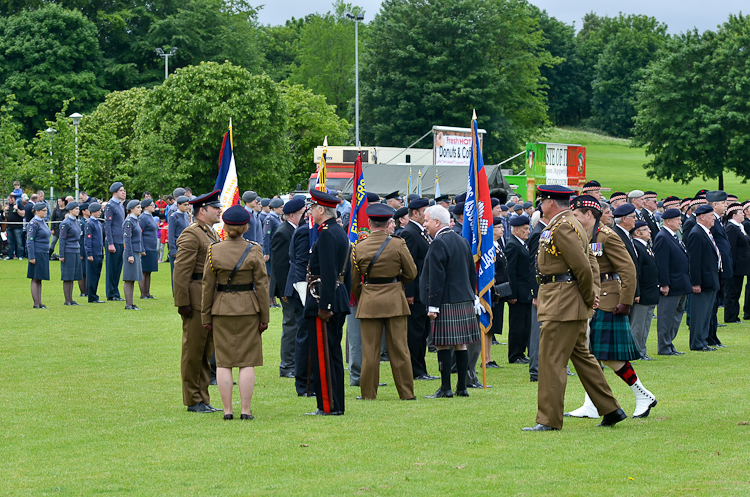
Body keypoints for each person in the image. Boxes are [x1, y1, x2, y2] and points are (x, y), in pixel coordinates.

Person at [523, 186, 625, 432]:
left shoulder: (563, 225)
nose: (539, 204)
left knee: (551, 359)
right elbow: (590, 260)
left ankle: (548, 419)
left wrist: (591, 295)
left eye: (542, 200)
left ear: (550, 203)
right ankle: (611, 409)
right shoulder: (570, 222)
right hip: (566, 299)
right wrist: (592, 294)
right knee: (582, 357)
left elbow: (582, 265)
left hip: (562, 300)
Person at [566, 196, 657, 419]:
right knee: (591, 354)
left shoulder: (607, 236)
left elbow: (628, 270)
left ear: (589, 215)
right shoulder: (581, 235)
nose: (573, 218)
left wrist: (625, 301)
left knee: (608, 355)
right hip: (591, 298)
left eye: (577, 215)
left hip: (608, 299)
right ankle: (593, 403)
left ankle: (642, 395)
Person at [201, 205, 269, 420]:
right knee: (247, 361)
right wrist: (264, 317)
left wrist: (205, 316)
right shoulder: (254, 249)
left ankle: (228, 410)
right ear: (246, 227)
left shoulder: (214, 249)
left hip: (221, 309)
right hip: (249, 308)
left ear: (226, 226)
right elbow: (262, 286)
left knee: (223, 361)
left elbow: (207, 286)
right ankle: (246, 410)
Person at [351, 203, 417, 401]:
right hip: (395, 299)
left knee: (370, 350)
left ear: (369, 223)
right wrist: (396, 283)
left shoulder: (359, 247)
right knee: (400, 348)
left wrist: (365, 291)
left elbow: (354, 281)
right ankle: (406, 393)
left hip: (369, 300)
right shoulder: (398, 244)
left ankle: (368, 394)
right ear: (389, 222)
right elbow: (412, 272)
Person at [420, 205, 480, 399]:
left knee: (442, 345)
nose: (424, 224)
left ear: (437, 222)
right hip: (464, 299)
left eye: (427, 220)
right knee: (461, 344)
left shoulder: (439, 242)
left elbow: (436, 276)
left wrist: (433, 305)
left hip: (444, 301)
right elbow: (471, 272)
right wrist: (472, 295)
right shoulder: (461, 240)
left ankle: (446, 387)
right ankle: (462, 387)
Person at [174, 190, 223, 413]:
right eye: (215, 207)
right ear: (202, 210)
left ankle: (203, 396)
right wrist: (182, 302)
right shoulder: (191, 234)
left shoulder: (210, 233)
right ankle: (193, 399)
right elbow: (181, 272)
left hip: (208, 298)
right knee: (193, 351)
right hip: (195, 299)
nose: (219, 210)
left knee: (205, 351)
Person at [303, 189, 351, 416]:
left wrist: (325, 306)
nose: (311, 211)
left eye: (313, 207)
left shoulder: (328, 234)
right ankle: (331, 404)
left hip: (324, 298)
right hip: (333, 296)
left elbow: (331, 273)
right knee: (330, 353)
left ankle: (329, 405)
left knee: (325, 354)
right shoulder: (335, 231)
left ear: (321, 210)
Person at [400, 197, 436, 381]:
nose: (427, 214)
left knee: (421, 331)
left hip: (423, 290)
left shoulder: (420, 232)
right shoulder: (410, 233)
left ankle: (421, 368)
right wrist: (409, 293)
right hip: (415, 293)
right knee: (414, 332)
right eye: (425, 211)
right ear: (415, 213)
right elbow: (409, 265)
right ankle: (416, 370)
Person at [271, 196, 306, 379]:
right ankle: (287, 365)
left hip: (295, 286)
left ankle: (294, 362)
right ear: (291, 215)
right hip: (288, 288)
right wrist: (284, 290)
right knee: (291, 325)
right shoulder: (283, 232)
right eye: (302, 213)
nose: (305, 216)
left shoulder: (294, 229)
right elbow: (280, 265)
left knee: (297, 324)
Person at [652, 208, 689, 356]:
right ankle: (664, 346)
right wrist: (664, 283)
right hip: (671, 284)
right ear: (668, 221)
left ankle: (669, 344)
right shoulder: (662, 237)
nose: (680, 222)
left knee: (676, 316)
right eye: (677, 220)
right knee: (666, 317)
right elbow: (662, 263)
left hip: (680, 283)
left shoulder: (672, 236)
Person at [686, 204, 721, 352]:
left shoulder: (705, 232)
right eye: (711, 215)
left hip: (710, 279)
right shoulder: (696, 233)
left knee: (706, 314)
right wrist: (696, 283)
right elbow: (694, 261)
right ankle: (697, 343)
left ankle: (703, 341)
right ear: (702, 217)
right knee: (699, 314)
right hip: (703, 281)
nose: (714, 218)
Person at [505, 214, 534, 365]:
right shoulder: (512, 245)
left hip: (525, 291)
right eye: (525, 229)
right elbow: (510, 271)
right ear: (515, 230)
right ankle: (514, 354)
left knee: (525, 324)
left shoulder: (522, 243)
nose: (528, 231)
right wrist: (512, 293)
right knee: (517, 325)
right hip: (518, 292)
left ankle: (521, 352)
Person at [630, 221, 660, 360]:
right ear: (637, 232)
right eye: (646, 229)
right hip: (643, 292)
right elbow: (636, 271)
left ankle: (642, 350)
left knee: (645, 324)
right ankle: (637, 351)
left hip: (650, 291)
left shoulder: (645, 246)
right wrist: (637, 292)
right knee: (638, 325)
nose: (650, 231)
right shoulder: (636, 246)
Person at [724, 202, 750, 323]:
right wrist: (731, 265)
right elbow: (731, 249)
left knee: (737, 291)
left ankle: (734, 315)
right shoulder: (731, 228)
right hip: (734, 267)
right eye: (741, 213)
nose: (743, 214)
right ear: (733, 215)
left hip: (740, 267)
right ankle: (730, 316)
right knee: (732, 292)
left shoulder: (739, 227)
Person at [489, 217, 509, 369]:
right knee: (488, 324)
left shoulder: (497, 245)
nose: (502, 230)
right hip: (491, 289)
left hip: (499, 289)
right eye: (498, 227)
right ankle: (486, 358)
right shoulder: (489, 246)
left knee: (493, 324)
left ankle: (489, 357)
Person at [104, 182, 127, 301]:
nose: (124, 192)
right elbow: (108, 225)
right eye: (121, 190)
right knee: (111, 269)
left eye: (124, 190)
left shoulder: (120, 206)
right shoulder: (110, 205)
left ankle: (115, 292)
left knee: (118, 268)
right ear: (115, 192)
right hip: (113, 241)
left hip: (120, 240)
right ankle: (111, 293)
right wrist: (110, 243)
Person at [27, 202, 52, 308]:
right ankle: (36, 303)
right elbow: (30, 240)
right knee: (35, 278)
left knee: (40, 277)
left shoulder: (42, 222)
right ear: (37, 211)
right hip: (37, 252)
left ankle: (39, 302)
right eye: (44, 210)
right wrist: (31, 256)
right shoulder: (34, 223)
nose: (46, 212)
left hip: (44, 252)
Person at [59, 201, 83, 306]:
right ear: (70, 210)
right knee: (67, 276)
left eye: (78, 209)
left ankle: (71, 298)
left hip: (76, 249)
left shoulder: (77, 222)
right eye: (76, 209)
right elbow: (62, 239)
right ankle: (67, 299)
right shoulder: (66, 222)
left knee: (73, 275)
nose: (78, 211)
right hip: (68, 250)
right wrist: (61, 255)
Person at [122, 200, 145, 310]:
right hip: (130, 251)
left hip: (135, 251)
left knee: (133, 278)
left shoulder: (136, 220)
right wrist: (130, 255)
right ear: (131, 209)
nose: (140, 209)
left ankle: (130, 303)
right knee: (129, 278)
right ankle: (128, 304)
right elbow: (127, 239)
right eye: (138, 207)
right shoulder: (129, 221)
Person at [264, 197, 284, 308]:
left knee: (274, 276)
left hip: (275, 250)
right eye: (281, 207)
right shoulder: (270, 218)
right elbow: (266, 236)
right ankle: (269, 300)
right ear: (275, 208)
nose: (282, 209)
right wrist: (266, 252)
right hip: (271, 250)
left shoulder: (276, 218)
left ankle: (274, 300)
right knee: (269, 276)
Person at [85, 203, 106, 303]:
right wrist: (89, 253)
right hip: (93, 253)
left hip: (99, 252)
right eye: (98, 210)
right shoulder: (90, 223)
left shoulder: (98, 223)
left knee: (97, 274)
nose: (100, 212)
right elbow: (88, 240)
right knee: (92, 275)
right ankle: (92, 296)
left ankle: (94, 294)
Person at [138, 199, 159, 299]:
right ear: (146, 207)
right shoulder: (143, 218)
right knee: (143, 270)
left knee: (149, 271)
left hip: (152, 247)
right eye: (151, 205)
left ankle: (147, 293)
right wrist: (141, 248)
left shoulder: (150, 217)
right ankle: (143, 293)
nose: (154, 206)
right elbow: (139, 234)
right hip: (145, 247)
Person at [168, 195, 190, 290]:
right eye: (184, 205)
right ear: (178, 205)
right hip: (177, 246)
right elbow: (171, 235)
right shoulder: (174, 216)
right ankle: (175, 291)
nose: (187, 207)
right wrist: (173, 250)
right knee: (175, 271)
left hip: (185, 246)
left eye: (188, 205)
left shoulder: (185, 215)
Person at [77, 203, 90, 297]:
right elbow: (80, 239)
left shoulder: (88, 221)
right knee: (82, 272)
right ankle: (83, 291)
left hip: (88, 248)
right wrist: (81, 252)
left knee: (87, 271)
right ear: (83, 211)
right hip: (83, 249)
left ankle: (87, 290)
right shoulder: (81, 223)